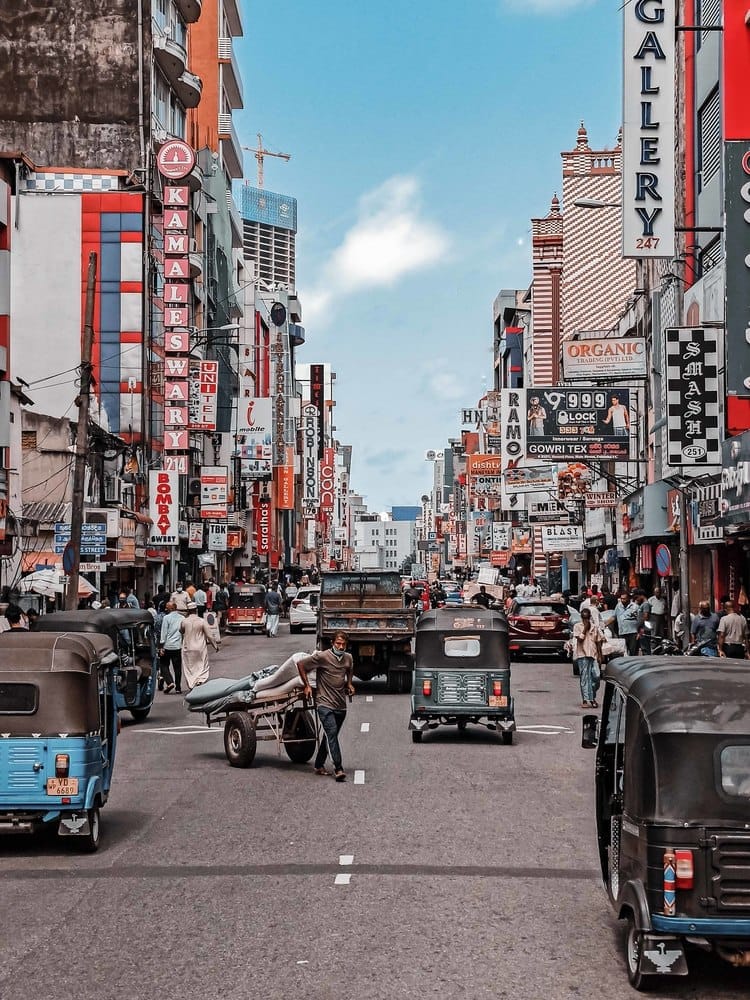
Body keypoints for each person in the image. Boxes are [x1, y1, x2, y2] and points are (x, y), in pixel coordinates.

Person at [297, 631, 355, 782]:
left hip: (341, 706)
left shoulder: (348, 658)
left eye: (343, 644)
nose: (340, 647)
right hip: (324, 703)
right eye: (338, 644)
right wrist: (307, 686)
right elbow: (301, 664)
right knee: (332, 732)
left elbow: (349, 669)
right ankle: (338, 768)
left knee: (331, 736)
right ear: (332, 643)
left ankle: (318, 764)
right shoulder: (323, 657)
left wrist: (349, 683)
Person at [180, 602, 220, 688]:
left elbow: (181, 631)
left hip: (188, 647)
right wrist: (215, 645)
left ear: (188, 611)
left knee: (189, 666)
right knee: (202, 665)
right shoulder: (202, 621)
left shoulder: (184, 621)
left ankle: (192, 683)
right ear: (196, 610)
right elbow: (209, 635)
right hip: (200, 647)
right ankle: (200, 680)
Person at [572, 607, 604, 709]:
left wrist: (600, 654)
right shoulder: (577, 626)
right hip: (583, 655)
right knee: (585, 678)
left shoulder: (594, 627)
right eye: (584, 618)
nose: (586, 620)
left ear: (590, 617)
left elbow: (598, 641)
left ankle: (592, 695)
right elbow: (580, 640)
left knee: (596, 676)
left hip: (593, 655)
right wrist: (585, 628)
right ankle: (587, 699)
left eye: (587, 618)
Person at [159, 600, 184, 693]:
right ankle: (178, 688)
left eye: (167, 607)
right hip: (177, 646)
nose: (165, 608)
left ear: (170, 609)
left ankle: (170, 682)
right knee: (177, 668)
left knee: (163, 665)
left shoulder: (166, 618)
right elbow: (183, 632)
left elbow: (164, 632)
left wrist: (161, 646)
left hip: (168, 646)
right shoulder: (182, 618)